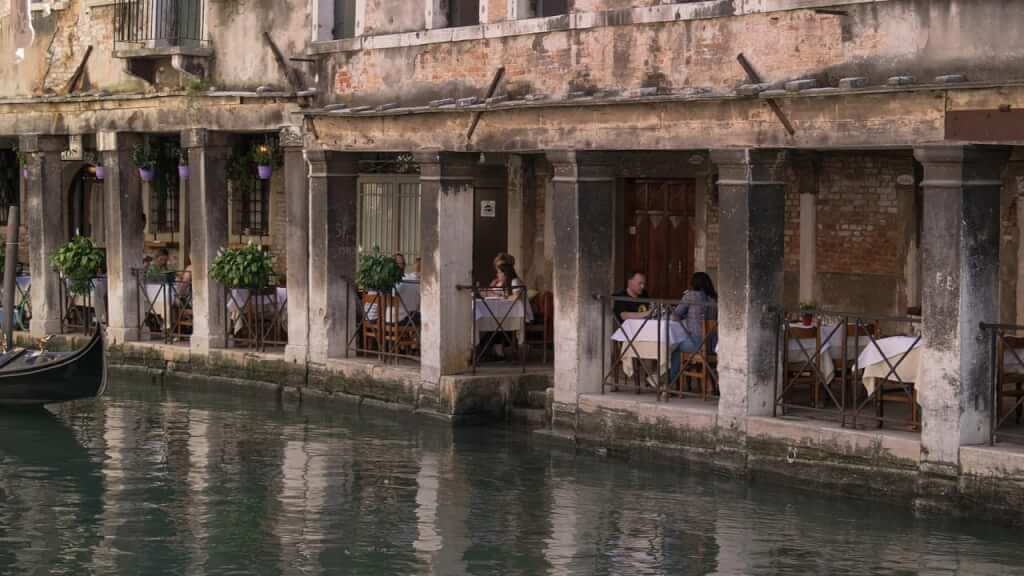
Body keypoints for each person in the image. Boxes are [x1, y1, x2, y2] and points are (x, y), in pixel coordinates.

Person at [669, 272, 718, 385]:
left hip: (697, 343)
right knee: (678, 345)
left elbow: (675, 315)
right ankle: (709, 386)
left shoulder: (691, 295)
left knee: (674, 347)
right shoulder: (714, 298)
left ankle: (668, 383)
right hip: (713, 344)